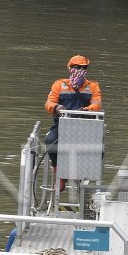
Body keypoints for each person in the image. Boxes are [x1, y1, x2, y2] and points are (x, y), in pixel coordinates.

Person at [44, 54, 102, 190]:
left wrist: (88, 109)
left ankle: (83, 175)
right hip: (61, 125)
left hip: (86, 126)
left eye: (84, 67)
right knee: (50, 141)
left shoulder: (92, 86)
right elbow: (49, 102)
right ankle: (59, 171)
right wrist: (57, 107)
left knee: (100, 148)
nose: (81, 70)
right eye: (78, 67)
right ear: (71, 68)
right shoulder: (59, 85)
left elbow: (97, 103)